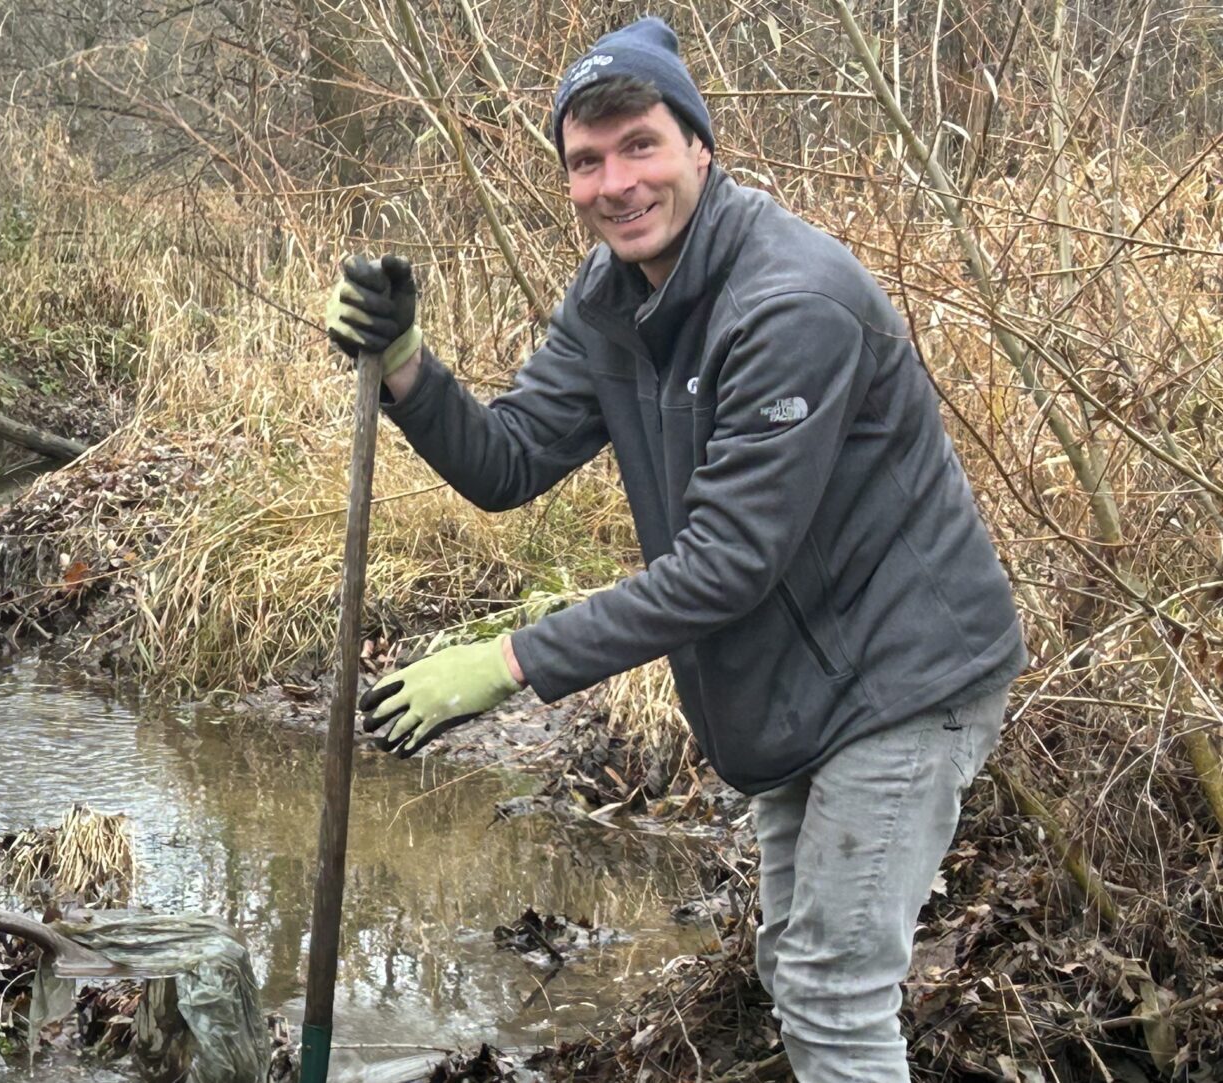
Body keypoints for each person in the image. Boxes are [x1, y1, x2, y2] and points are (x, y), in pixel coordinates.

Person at [322, 18, 1024, 1083]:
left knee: (834, 990)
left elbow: (727, 563)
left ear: (699, 145)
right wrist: (410, 366)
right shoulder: (613, 299)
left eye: (640, 144)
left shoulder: (790, 303)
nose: (617, 182)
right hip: (798, 682)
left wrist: (508, 664)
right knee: (796, 967)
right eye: (587, 161)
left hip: (903, 679)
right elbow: (508, 462)